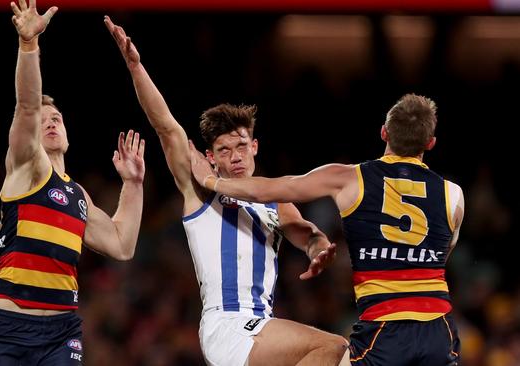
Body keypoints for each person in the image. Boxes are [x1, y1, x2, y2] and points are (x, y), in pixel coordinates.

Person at [105, 16, 349, 366]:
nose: (234, 157)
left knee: (346, 359)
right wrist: (136, 67)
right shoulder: (202, 193)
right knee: (333, 347)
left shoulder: (276, 202)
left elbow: (305, 234)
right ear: (210, 158)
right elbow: (166, 128)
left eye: (240, 146)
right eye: (223, 150)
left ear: (255, 148)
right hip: (227, 324)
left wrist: (319, 248)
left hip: (260, 325)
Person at [190, 93, 463, 365]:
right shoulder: (454, 195)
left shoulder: (349, 178)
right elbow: (442, 256)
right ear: (431, 142)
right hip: (439, 330)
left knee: (334, 352)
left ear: (384, 133)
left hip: (384, 328)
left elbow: (277, 188)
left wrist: (212, 181)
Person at [0, 2, 146, 365]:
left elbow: (121, 245)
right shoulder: (27, 168)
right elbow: (26, 106)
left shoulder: (77, 195)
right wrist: (28, 46)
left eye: (58, 118)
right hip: (8, 327)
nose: (51, 122)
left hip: (61, 332)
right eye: (45, 119)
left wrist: (132, 184)